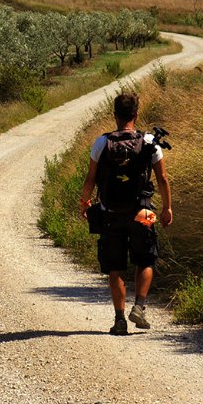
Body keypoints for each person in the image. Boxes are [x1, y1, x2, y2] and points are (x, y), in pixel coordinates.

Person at [79, 92, 172, 336]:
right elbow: (162, 178)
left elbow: (90, 179)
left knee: (115, 267)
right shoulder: (150, 141)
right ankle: (139, 306)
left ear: (115, 115)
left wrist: (84, 203)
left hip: (111, 211)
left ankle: (119, 320)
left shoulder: (102, 143)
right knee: (147, 259)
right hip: (144, 210)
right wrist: (167, 207)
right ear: (136, 114)